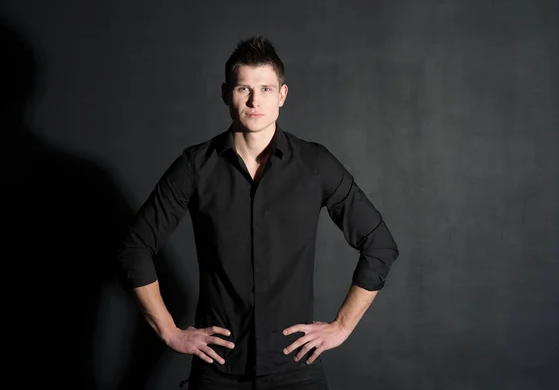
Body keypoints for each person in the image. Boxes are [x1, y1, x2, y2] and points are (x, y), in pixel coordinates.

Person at [116, 35, 399, 390]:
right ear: (225, 94)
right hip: (218, 372)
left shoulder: (315, 164)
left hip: (295, 370)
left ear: (281, 95)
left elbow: (380, 245)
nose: (254, 101)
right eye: (243, 89)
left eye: (265, 89)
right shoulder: (195, 166)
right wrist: (169, 331)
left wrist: (342, 325)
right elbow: (135, 247)